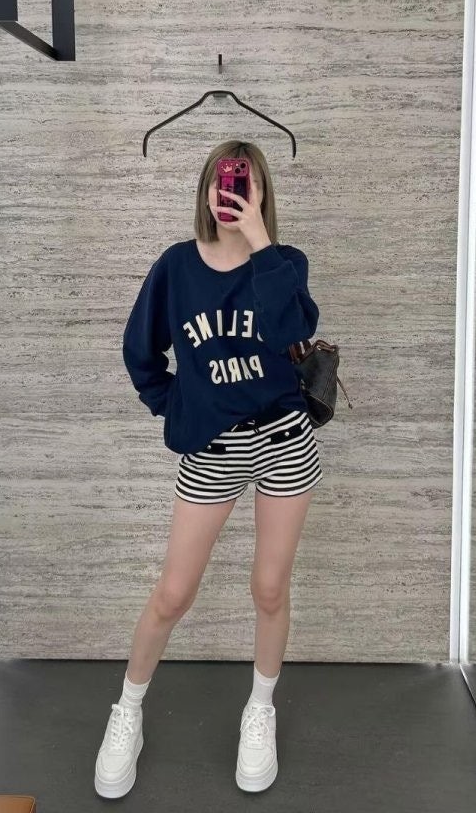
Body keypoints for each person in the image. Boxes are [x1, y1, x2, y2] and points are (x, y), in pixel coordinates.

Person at [94, 139, 323, 799]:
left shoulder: (283, 263)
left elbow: (295, 330)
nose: (230, 195)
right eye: (222, 184)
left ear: (261, 195)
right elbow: (140, 353)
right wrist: (177, 407)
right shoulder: (175, 267)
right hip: (213, 449)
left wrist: (259, 241)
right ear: (203, 190)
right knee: (172, 593)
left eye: (244, 186)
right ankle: (127, 711)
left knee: (269, 588)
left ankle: (260, 709)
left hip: (284, 440)